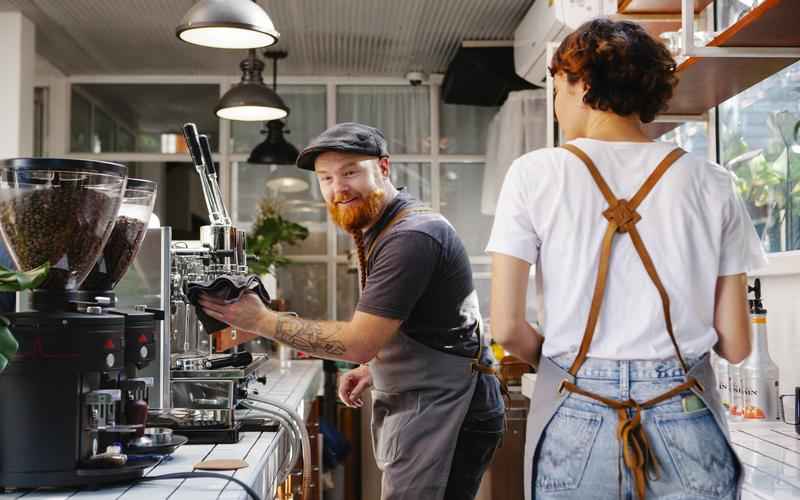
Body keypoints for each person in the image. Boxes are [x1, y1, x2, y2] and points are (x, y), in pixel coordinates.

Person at [486, 19, 767, 500]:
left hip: (575, 409)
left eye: (557, 88)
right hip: (685, 409)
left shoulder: (534, 173)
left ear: (583, 84)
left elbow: (507, 328)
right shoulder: (711, 180)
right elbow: (738, 345)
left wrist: (566, 369)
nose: (557, 105)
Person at [199, 122, 504, 500]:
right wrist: (377, 367)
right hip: (430, 400)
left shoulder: (411, 236)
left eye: (350, 172)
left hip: (449, 409)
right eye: (326, 178)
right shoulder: (380, 225)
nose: (337, 188)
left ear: (384, 167)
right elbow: (425, 326)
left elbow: (360, 342)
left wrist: (261, 320)